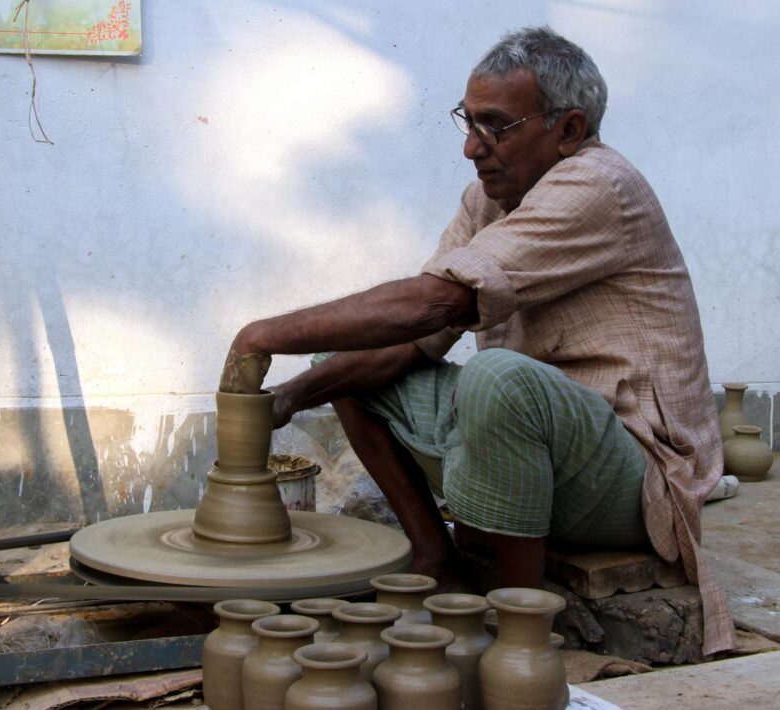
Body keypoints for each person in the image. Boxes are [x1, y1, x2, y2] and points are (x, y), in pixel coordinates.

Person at [218, 26, 733, 657]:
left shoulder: (600, 185)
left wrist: (259, 335)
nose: (470, 147)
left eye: (495, 127)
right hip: (538, 445)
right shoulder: (486, 201)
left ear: (569, 129)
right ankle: (437, 561)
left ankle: (518, 635)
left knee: (498, 378)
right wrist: (288, 398)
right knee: (344, 360)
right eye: (468, 121)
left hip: (636, 476)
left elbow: (439, 302)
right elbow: (415, 333)